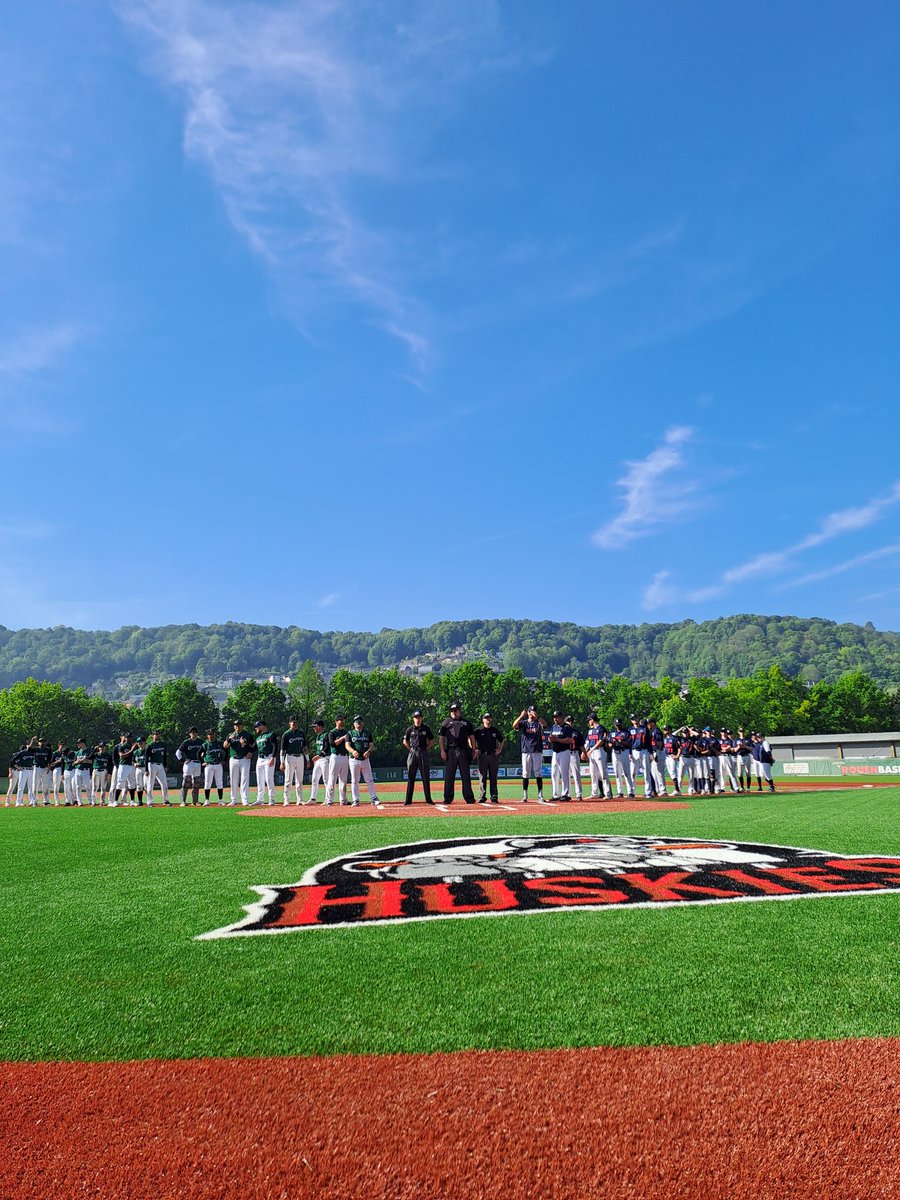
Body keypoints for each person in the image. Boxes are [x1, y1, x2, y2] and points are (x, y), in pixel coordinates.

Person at [438, 701, 477, 805]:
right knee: (449, 776)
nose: (454, 713)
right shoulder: (446, 722)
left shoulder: (466, 722)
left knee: (466, 776)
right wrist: (442, 751)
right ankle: (448, 798)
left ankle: (469, 798)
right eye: (452, 711)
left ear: (459, 711)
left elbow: (472, 737)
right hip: (451, 751)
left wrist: (474, 749)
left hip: (464, 751)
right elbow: (441, 738)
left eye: (455, 711)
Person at [512, 705, 547, 804]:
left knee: (538, 773)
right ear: (527, 712)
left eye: (534, 711)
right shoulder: (523, 723)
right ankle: (525, 795)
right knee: (526, 773)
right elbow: (514, 725)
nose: (532, 713)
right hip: (526, 750)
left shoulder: (538, 723)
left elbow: (545, 724)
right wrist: (521, 716)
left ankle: (540, 795)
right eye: (530, 711)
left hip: (537, 750)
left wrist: (537, 717)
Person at [346, 715, 381, 807]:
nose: (358, 723)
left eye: (360, 721)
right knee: (354, 780)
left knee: (369, 779)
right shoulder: (350, 733)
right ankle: (355, 799)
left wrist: (369, 751)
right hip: (354, 760)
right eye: (356, 721)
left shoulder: (367, 733)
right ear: (353, 723)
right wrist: (353, 751)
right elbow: (347, 745)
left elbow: (371, 744)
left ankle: (374, 798)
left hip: (365, 759)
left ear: (363, 723)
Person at [403, 709, 434, 805]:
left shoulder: (426, 728)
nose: (418, 719)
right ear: (413, 719)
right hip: (412, 753)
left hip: (423, 753)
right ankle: (408, 800)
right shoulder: (409, 729)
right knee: (410, 777)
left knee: (425, 777)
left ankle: (428, 800)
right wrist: (411, 749)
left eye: (419, 717)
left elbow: (432, 740)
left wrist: (426, 748)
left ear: (422, 718)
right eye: (416, 717)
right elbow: (405, 741)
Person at [472, 712, 504, 804]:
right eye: (486, 718)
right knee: (482, 777)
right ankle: (482, 796)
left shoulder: (495, 730)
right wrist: (475, 749)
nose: (488, 720)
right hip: (482, 755)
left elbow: (501, 741)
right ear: (483, 720)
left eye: (489, 718)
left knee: (493, 777)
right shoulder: (478, 730)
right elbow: (470, 739)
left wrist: (499, 750)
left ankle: (494, 796)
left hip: (493, 756)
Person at [224, 719, 253, 807]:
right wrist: (229, 739)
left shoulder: (247, 734)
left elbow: (254, 745)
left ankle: (245, 799)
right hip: (233, 759)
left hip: (244, 759)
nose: (237, 726)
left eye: (239, 724)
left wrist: (250, 752)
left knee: (244, 779)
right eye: (236, 725)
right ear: (234, 726)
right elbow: (225, 746)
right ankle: (233, 799)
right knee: (233, 779)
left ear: (242, 725)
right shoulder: (230, 735)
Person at [324, 715, 351, 806]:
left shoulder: (346, 732)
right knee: (332, 779)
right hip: (335, 756)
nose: (342, 721)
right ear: (336, 721)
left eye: (343, 720)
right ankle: (329, 800)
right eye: (340, 720)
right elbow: (332, 744)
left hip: (344, 756)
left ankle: (343, 800)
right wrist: (342, 738)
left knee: (344, 780)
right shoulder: (332, 732)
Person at [548, 711, 575, 801]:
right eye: (554, 717)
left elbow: (568, 740)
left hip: (564, 751)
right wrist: (550, 739)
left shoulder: (567, 727)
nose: (555, 719)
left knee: (564, 773)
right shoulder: (553, 726)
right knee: (554, 773)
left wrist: (557, 739)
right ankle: (555, 794)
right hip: (555, 752)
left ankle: (565, 794)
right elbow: (551, 737)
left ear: (562, 717)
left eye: (557, 717)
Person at [280, 716, 307, 806]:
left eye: (296, 722)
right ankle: (286, 799)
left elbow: (305, 747)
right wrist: (282, 762)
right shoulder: (286, 734)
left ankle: (300, 799)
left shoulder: (301, 733)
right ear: (289, 723)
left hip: (300, 757)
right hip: (290, 757)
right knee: (288, 780)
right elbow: (282, 749)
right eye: (293, 722)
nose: (294, 724)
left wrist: (307, 759)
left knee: (300, 780)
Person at [176, 727, 205, 806]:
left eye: (195, 732)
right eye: (192, 732)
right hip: (189, 764)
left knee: (197, 783)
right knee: (186, 782)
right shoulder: (186, 742)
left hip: (197, 763)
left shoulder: (201, 742)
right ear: (189, 734)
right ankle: (183, 801)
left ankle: (195, 801)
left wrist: (203, 759)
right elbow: (178, 753)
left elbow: (206, 750)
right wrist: (183, 761)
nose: (194, 734)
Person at [585, 715, 611, 799]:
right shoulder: (590, 730)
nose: (588, 722)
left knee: (603, 773)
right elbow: (588, 741)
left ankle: (608, 793)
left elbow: (601, 741)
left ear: (592, 719)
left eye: (589, 720)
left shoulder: (601, 728)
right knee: (593, 774)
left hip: (600, 751)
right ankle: (594, 793)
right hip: (592, 753)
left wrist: (591, 750)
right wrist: (584, 752)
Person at [254, 719, 279, 806]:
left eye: (257, 726)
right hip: (260, 759)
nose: (256, 728)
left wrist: (273, 757)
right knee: (259, 780)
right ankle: (260, 799)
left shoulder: (270, 735)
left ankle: (271, 799)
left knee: (269, 779)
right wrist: (243, 743)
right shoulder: (258, 738)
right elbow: (253, 749)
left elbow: (275, 746)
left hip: (269, 757)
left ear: (262, 726)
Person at [608, 719, 635, 799]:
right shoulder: (612, 732)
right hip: (615, 752)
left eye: (619, 724)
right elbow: (609, 744)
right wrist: (612, 743)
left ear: (621, 724)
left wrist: (619, 741)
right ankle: (620, 792)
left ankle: (630, 792)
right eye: (616, 724)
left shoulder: (626, 732)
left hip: (624, 752)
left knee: (626, 773)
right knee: (617, 774)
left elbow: (629, 743)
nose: (617, 725)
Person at [112, 733, 138, 807]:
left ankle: (132, 801)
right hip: (123, 766)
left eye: (130, 737)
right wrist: (132, 750)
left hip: (131, 765)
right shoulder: (122, 746)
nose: (129, 739)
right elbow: (122, 756)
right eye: (127, 737)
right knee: (120, 783)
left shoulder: (132, 745)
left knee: (132, 783)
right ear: (125, 738)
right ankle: (115, 801)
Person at [145, 730, 170, 806]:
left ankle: (165, 800)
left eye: (158, 734)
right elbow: (146, 758)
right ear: (153, 735)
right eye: (155, 734)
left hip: (160, 765)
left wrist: (165, 766)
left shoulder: (163, 744)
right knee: (150, 784)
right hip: (151, 765)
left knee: (164, 784)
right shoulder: (150, 745)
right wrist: (146, 769)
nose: (157, 735)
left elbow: (165, 756)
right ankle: (150, 802)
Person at [309, 719, 330, 804]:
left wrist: (319, 755)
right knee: (314, 779)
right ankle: (313, 799)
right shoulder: (318, 736)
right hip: (318, 760)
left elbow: (327, 747)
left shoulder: (327, 735)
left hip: (325, 759)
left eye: (314, 726)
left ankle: (327, 799)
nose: (314, 728)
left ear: (319, 726)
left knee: (326, 779)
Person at [202, 728, 225, 805]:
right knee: (208, 783)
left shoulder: (219, 743)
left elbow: (226, 752)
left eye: (212, 734)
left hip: (218, 765)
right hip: (209, 765)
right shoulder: (205, 745)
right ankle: (207, 800)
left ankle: (221, 800)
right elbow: (198, 754)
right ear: (207, 736)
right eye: (209, 734)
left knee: (219, 783)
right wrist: (202, 762)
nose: (211, 735)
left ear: (214, 735)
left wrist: (224, 760)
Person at [566, 715, 585, 801]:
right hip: (565, 754)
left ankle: (579, 794)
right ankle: (567, 794)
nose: (570, 722)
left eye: (571, 720)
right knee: (566, 775)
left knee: (576, 775)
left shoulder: (576, 732)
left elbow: (581, 744)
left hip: (574, 753)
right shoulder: (563, 731)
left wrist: (584, 753)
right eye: (568, 720)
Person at [91, 742, 114, 806]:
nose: (102, 748)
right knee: (94, 787)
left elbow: (110, 765)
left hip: (104, 771)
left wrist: (109, 773)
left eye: (103, 746)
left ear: (105, 747)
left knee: (103, 788)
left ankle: (102, 801)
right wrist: (94, 749)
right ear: (98, 747)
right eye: (100, 747)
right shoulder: (95, 754)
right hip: (96, 771)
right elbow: (89, 756)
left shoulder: (108, 755)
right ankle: (93, 801)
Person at [72, 738, 93, 806]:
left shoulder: (89, 751)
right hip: (77, 770)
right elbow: (73, 763)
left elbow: (92, 761)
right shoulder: (77, 752)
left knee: (87, 787)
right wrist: (77, 762)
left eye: (79, 743)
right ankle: (79, 801)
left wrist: (86, 761)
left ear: (83, 743)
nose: (78, 744)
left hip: (85, 770)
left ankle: (90, 801)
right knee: (78, 787)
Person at [662, 725, 682, 796]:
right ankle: (677, 789)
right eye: (664, 729)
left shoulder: (674, 739)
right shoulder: (665, 739)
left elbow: (679, 748)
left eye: (666, 729)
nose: (665, 731)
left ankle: (677, 789)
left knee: (673, 772)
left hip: (672, 757)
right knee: (671, 773)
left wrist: (677, 756)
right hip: (666, 757)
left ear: (670, 730)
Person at [32, 739, 52, 805]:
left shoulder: (48, 749)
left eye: (43, 741)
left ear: (45, 742)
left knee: (45, 785)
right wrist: (32, 741)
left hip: (45, 768)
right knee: (35, 785)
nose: (42, 743)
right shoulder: (35, 749)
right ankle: (34, 801)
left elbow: (49, 759)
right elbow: (29, 749)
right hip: (37, 768)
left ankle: (46, 801)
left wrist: (49, 767)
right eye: (40, 741)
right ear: (38, 743)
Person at [133, 736, 148, 805]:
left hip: (146, 769)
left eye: (141, 742)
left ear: (144, 742)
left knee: (146, 785)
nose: (139, 744)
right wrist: (134, 763)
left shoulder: (147, 751)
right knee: (139, 785)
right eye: (138, 742)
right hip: (138, 769)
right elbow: (132, 761)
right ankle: (140, 801)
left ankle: (149, 800)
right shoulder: (135, 752)